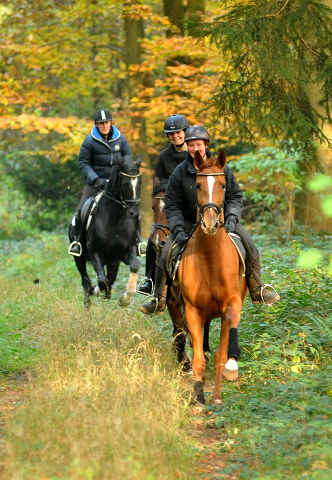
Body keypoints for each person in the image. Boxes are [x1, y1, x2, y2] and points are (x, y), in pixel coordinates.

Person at [139, 125, 280, 315]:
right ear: (187, 147)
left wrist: (231, 218)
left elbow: (235, 196)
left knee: (250, 245)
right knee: (165, 253)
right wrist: (178, 229)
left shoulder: (222, 168)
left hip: (221, 220)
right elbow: (171, 203)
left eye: (198, 144)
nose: (195, 148)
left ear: (206, 145)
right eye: (191, 145)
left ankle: (257, 288)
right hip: (188, 223)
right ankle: (159, 298)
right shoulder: (180, 172)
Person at [69, 108, 133, 256]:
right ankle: (77, 241)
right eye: (101, 123)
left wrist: (122, 177)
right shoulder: (89, 141)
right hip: (97, 184)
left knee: (133, 208)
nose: (104, 126)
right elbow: (84, 163)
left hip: (117, 185)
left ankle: (137, 242)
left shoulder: (121, 140)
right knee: (80, 210)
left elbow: (128, 159)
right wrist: (95, 179)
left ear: (111, 122)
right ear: (96, 124)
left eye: (107, 122)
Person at [138, 114, 190, 294]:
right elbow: (158, 182)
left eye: (178, 133)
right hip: (171, 206)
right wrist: (173, 190)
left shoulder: (196, 151)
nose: (175, 136)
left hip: (193, 208)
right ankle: (149, 280)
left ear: (185, 132)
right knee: (155, 237)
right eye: (171, 134)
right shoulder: (164, 157)